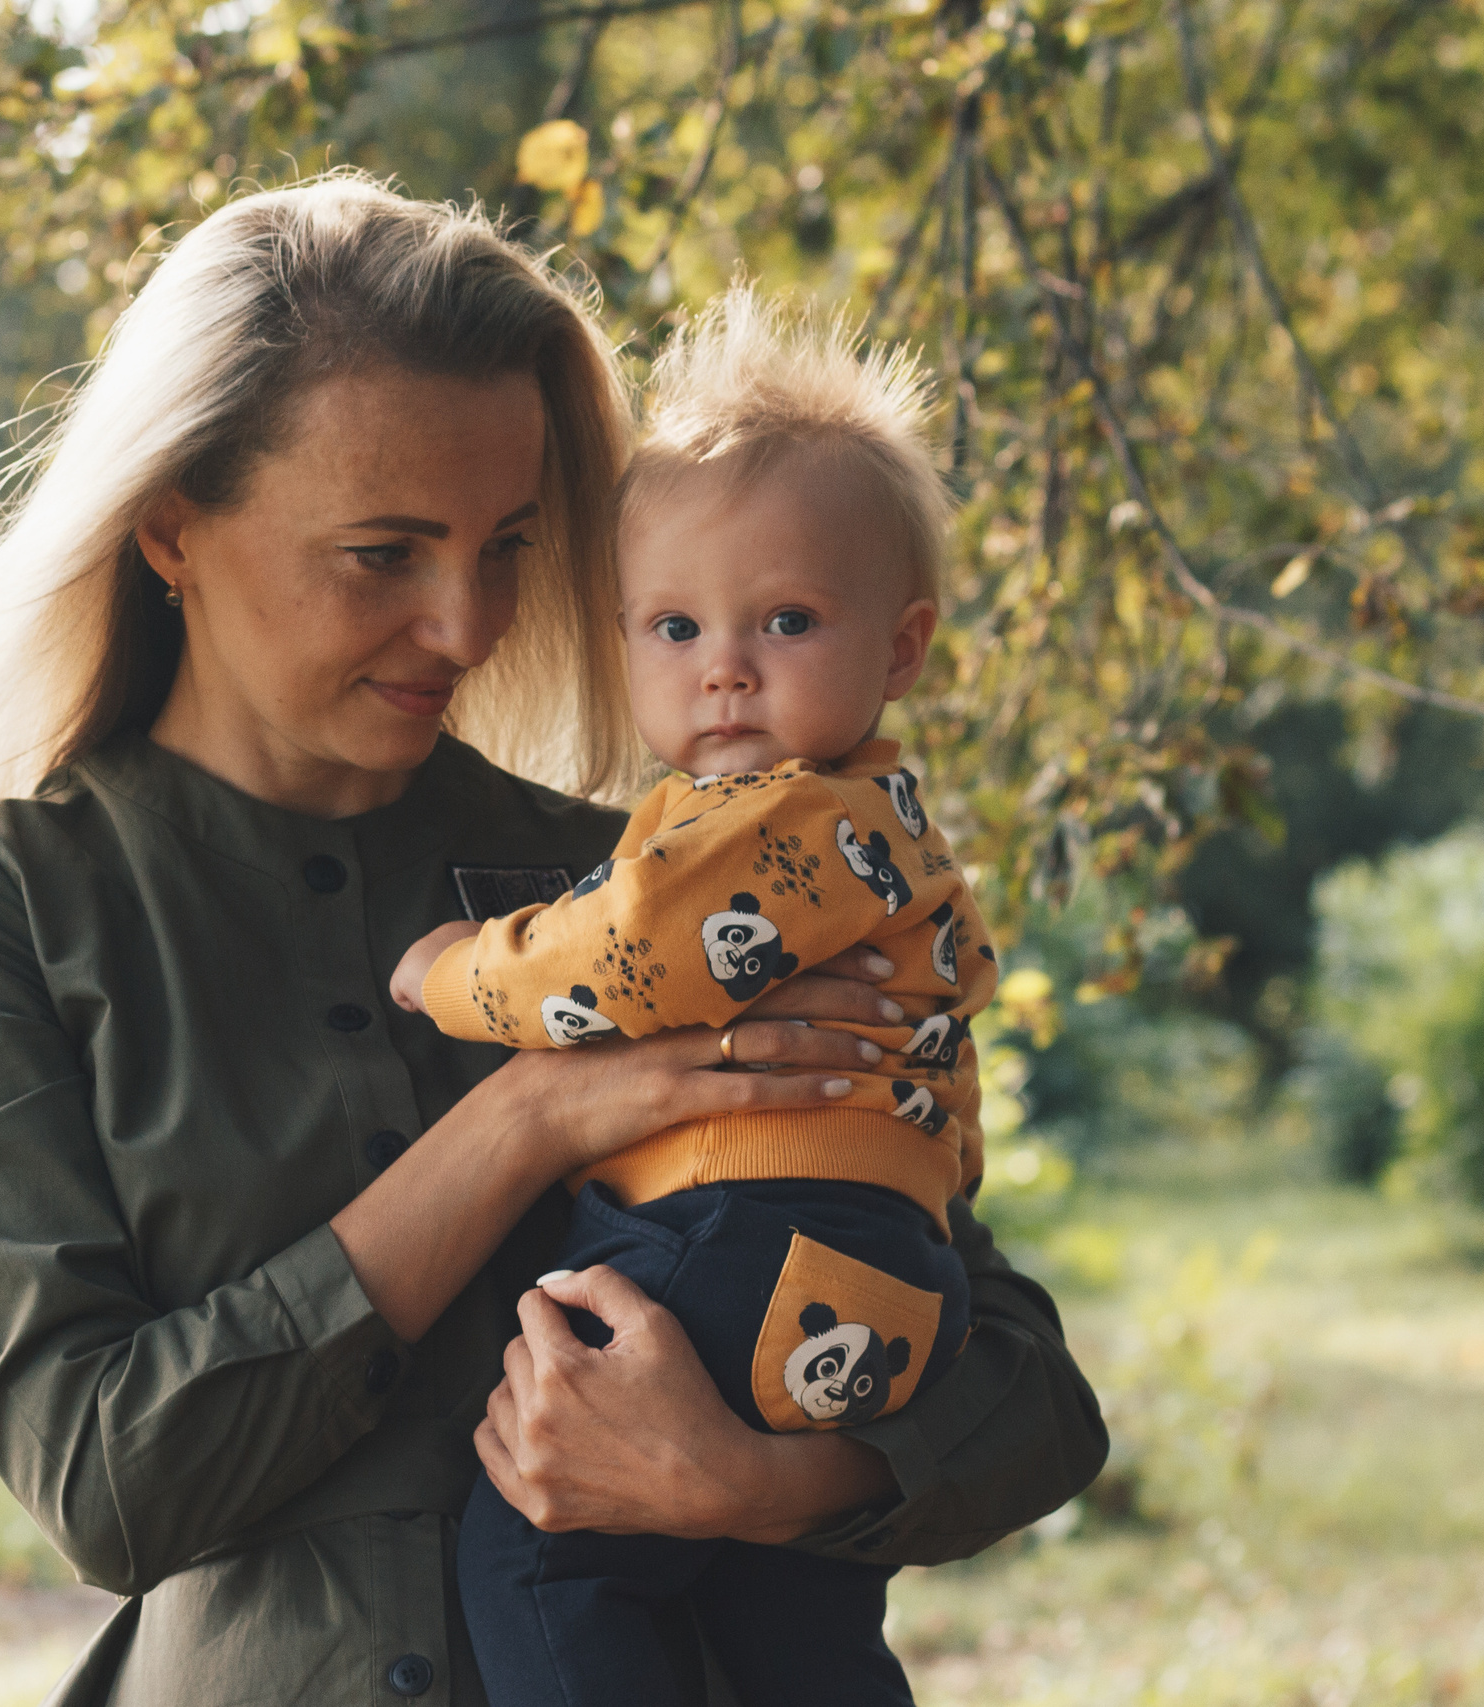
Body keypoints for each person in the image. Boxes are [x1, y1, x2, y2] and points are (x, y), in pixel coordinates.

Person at [0, 176, 1106, 1707]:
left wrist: (755, 1488)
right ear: (172, 526)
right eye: (384, 554)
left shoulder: (638, 890)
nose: (468, 624)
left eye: (508, 544)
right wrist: (526, 1119)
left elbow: (1024, 1392)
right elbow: (108, 1483)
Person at [388, 283, 991, 1707]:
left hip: (739, 1236)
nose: (722, 666)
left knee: (547, 1561)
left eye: (784, 620)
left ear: (898, 648)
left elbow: (621, 961)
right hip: (895, 1268)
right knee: (798, 1616)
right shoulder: (902, 841)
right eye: (671, 627)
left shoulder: (768, 822)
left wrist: (452, 973)